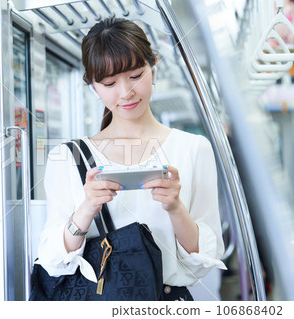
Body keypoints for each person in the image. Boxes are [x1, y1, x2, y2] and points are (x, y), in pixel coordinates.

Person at [34, 18, 226, 301]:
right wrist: (86, 209)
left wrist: (175, 208)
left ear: (154, 65)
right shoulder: (66, 158)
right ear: (93, 85)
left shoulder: (194, 148)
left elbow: (205, 257)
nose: (125, 93)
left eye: (136, 76)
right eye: (109, 83)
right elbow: (52, 259)